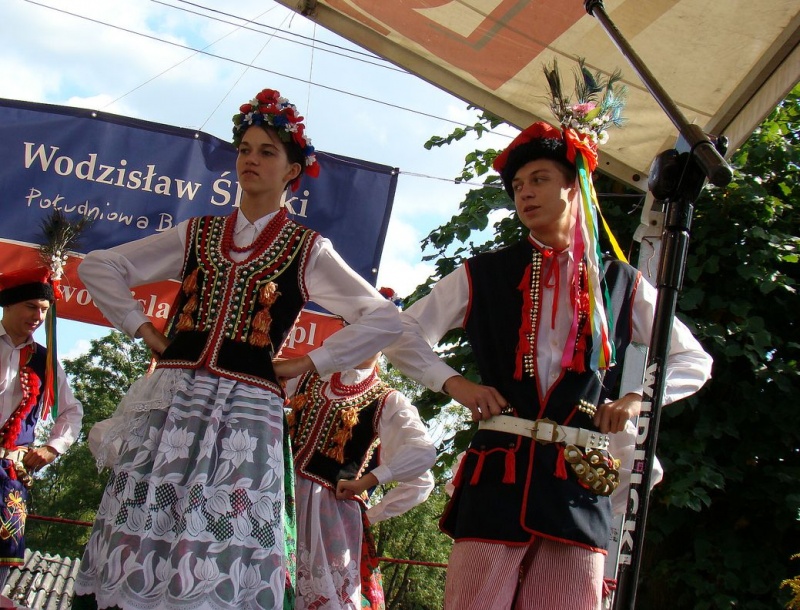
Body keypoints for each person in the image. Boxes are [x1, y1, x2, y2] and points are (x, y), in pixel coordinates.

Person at [383, 66, 713, 609]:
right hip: (497, 477)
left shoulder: (620, 283)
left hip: (578, 489)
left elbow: (692, 360)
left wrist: (637, 398)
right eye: (517, 187)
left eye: (538, 180)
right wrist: (456, 385)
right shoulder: (484, 273)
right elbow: (401, 331)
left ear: (574, 186)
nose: (525, 194)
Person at [72, 88, 402, 610]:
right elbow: (99, 266)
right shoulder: (198, 232)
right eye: (245, 149)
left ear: (293, 171)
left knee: (218, 529)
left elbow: (383, 317)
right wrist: (146, 330)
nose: (251, 159)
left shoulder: (307, 249)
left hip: (245, 410)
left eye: (267, 151)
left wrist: (309, 362)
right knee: (148, 517)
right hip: (175, 398)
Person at [285, 330, 436, 610]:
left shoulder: (387, 400)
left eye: (373, 334)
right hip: (281, 495)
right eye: (357, 330)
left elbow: (422, 458)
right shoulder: (308, 375)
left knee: (319, 593)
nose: (362, 340)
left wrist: (367, 487)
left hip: (330, 514)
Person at [0, 266, 83, 591]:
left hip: (9, 474)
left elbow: (72, 411)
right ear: (8, 304)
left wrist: (52, 447)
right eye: (31, 306)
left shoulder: (45, 360)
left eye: (45, 309)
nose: (38, 316)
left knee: (2, 557)